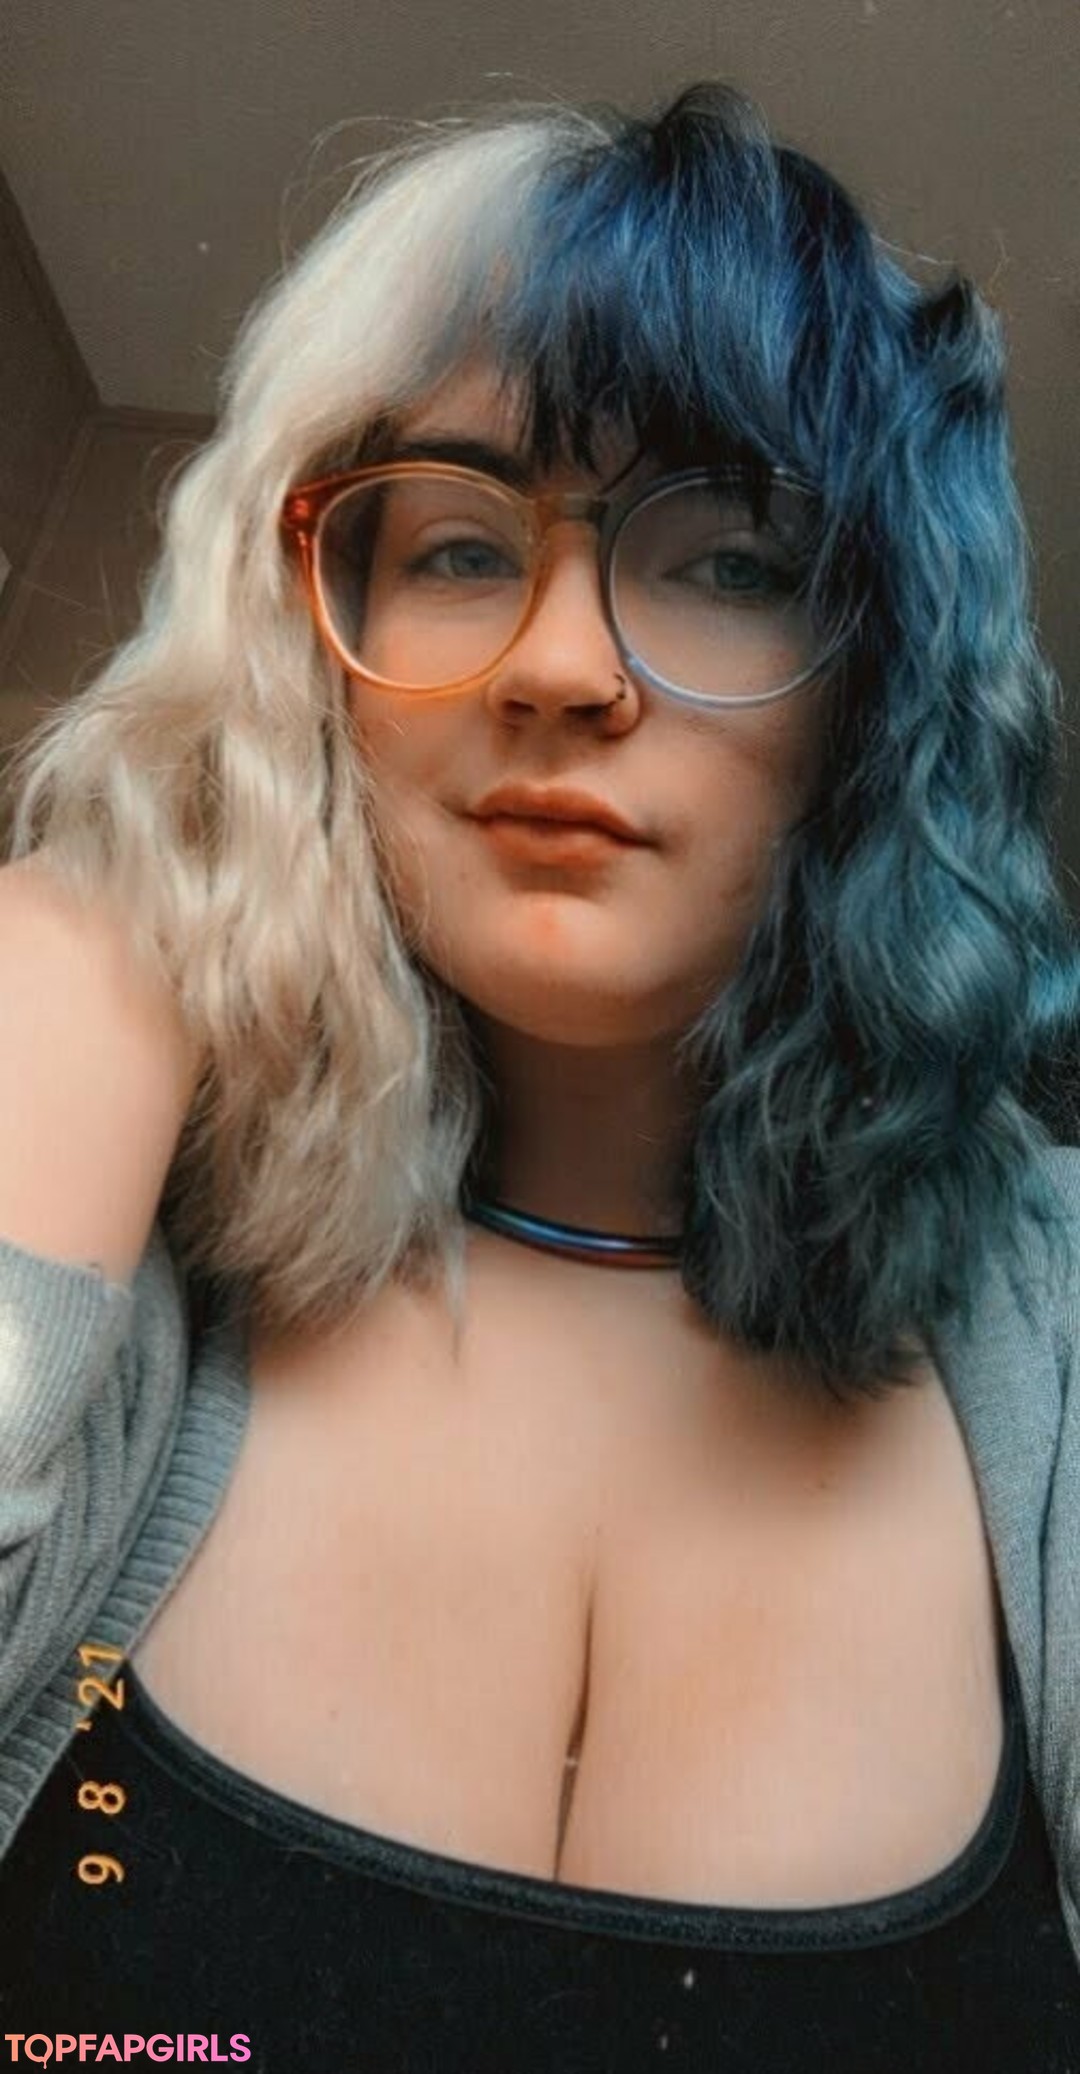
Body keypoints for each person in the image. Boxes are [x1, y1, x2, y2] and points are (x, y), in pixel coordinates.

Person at [0, 77, 1078, 2069]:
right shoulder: (127, 1239)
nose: (562, 666)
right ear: (311, 636)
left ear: (882, 671)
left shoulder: (1058, 1323)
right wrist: (85, 935)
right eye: (456, 545)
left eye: (728, 557)